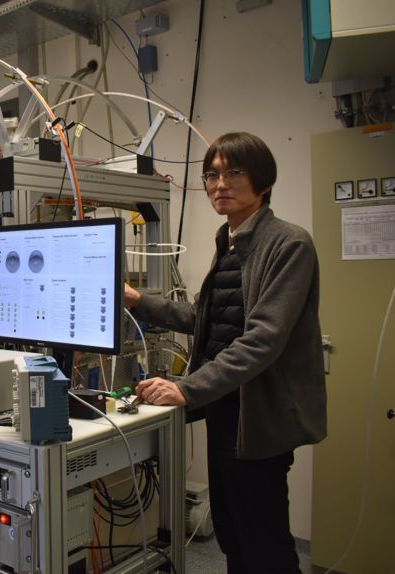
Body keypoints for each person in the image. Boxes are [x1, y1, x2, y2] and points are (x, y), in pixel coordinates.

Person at [127, 132, 326, 573]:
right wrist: (138, 301)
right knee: (234, 538)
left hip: (258, 419)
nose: (220, 184)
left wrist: (186, 389)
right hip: (224, 411)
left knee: (265, 544)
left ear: (263, 180)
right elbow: (205, 317)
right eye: (212, 174)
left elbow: (263, 339)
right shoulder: (230, 242)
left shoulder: (288, 244)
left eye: (234, 172)